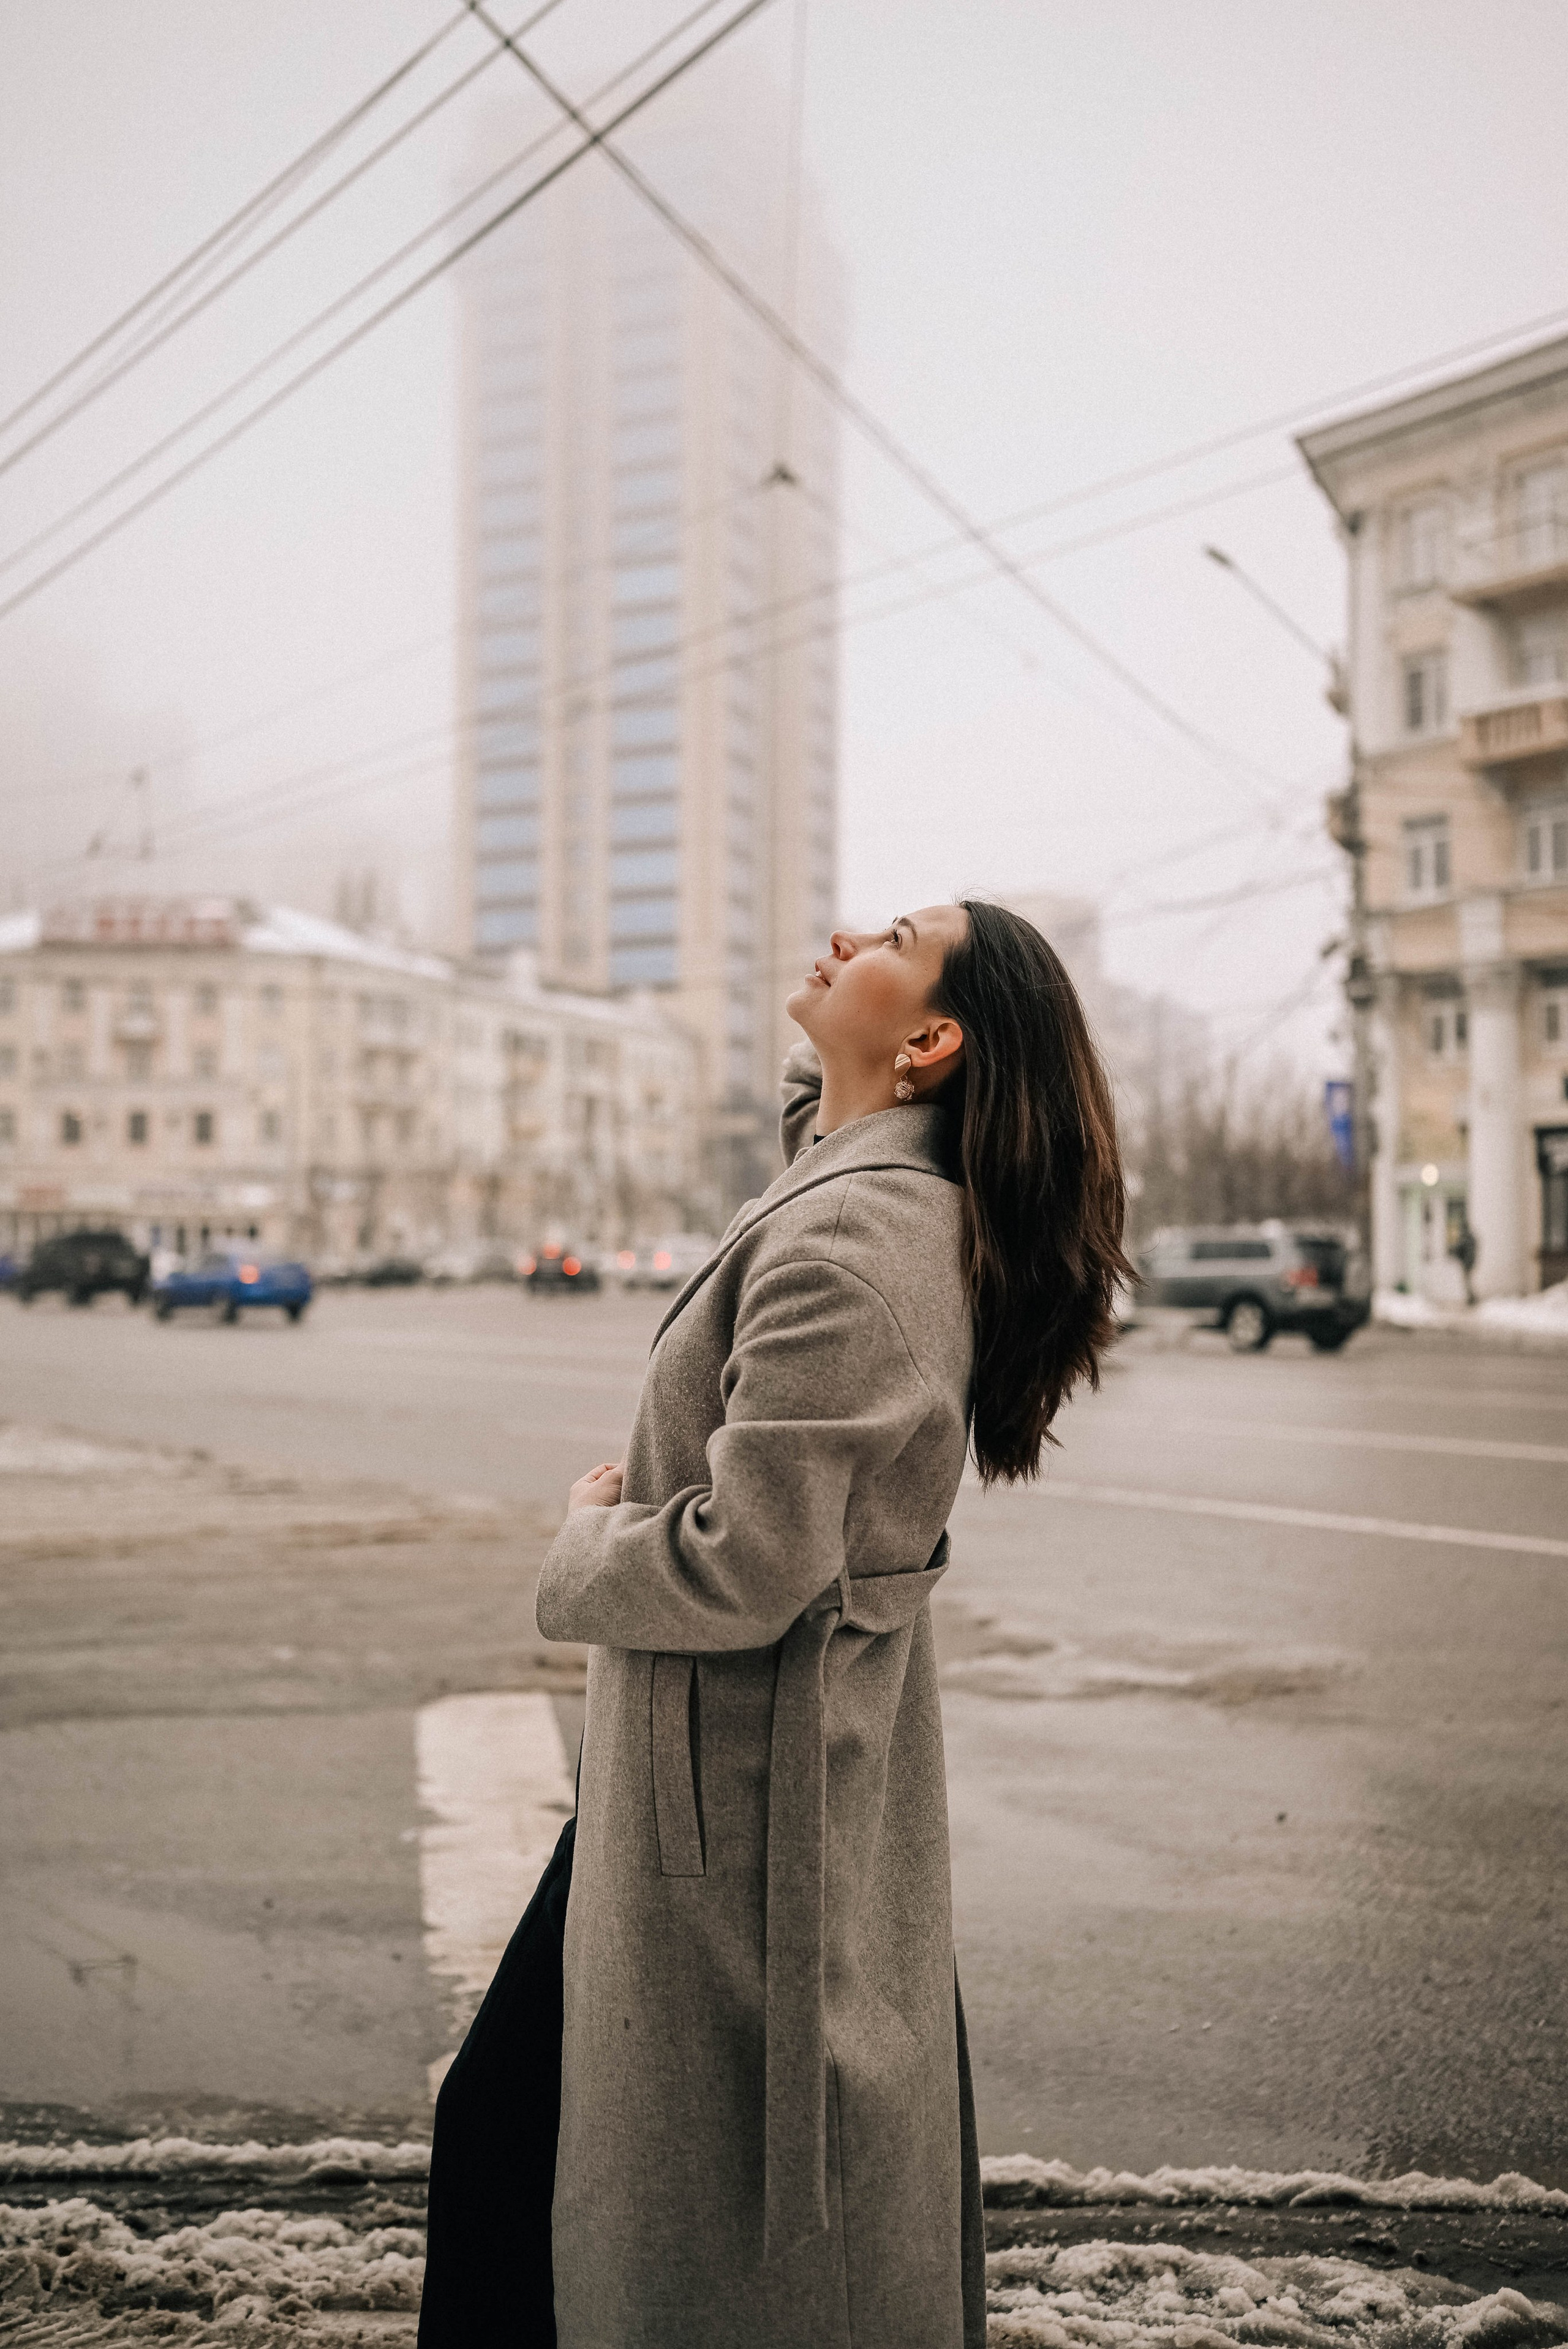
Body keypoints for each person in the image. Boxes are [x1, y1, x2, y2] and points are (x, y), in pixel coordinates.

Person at [418, 899, 1131, 2349]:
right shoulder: (858, 1191)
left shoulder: (854, 1251)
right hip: (712, 1787)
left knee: (564, 2172)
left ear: (930, 1041)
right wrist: (851, 1076)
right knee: (515, 2143)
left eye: (888, 938)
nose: (836, 934)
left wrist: (586, 1541)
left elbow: (750, 1562)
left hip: (737, 1807)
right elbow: (829, 1120)